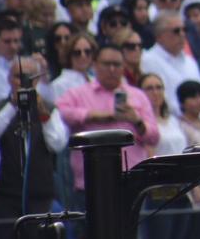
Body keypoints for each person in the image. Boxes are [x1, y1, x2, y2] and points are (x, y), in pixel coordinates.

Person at [0, 56, 69, 239]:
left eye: (29, 79)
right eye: (17, 77)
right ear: (8, 79)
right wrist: (13, 106)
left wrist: (42, 111)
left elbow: (57, 143)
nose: (23, 83)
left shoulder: (48, 109)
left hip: (39, 196)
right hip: (5, 195)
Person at [55, 44, 158, 203]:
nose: (112, 69)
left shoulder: (138, 96)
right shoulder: (78, 93)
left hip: (131, 179)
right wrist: (94, 116)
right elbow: (62, 113)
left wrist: (136, 120)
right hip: (90, 180)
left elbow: (154, 137)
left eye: (116, 64)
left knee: (133, 227)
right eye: (106, 64)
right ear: (95, 64)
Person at [141, 10, 200, 129]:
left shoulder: (190, 62)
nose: (182, 34)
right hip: (170, 127)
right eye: (176, 31)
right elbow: (162, 99)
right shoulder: (148, 60)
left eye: (184, 30)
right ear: (159, 35)